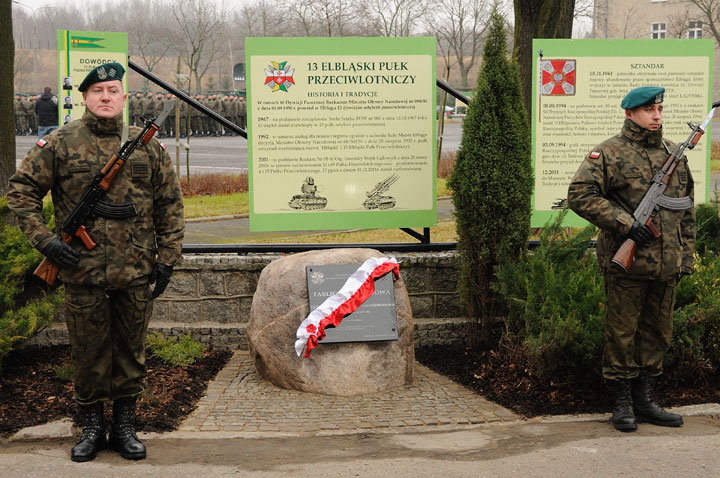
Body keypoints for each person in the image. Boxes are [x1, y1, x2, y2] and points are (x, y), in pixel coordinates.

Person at [7, 62, 185, 462]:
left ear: (123, 97)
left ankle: (124, 427)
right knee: (87, 353)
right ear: (85, 97)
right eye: (98, 91)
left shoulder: (146, 145)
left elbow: (169, 204)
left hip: (136, 270)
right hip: (81, 271)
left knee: (130, 351)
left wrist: (168, 259)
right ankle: (90, 427)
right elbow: (20, 191)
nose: (106, 97)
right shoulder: (61, 142)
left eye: (113, 90)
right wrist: (46, 242)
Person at [567, 86, 694, 432]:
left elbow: (686, 209)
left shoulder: (673, 154)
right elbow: (579, 195)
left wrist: (686, 257)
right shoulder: (609, 153)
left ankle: (646, 400)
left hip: (666, 265)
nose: (657, 116)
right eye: (649, 110)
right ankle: (622, 402)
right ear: (630, 113)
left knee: (657, 333)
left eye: (660, 109)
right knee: (621, 333)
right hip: (628, 265)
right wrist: (626, 223)